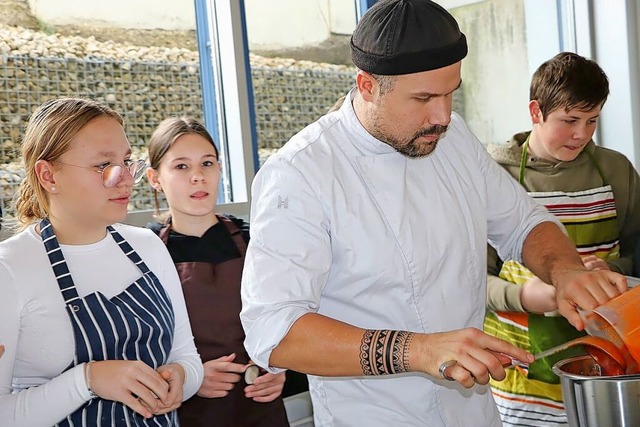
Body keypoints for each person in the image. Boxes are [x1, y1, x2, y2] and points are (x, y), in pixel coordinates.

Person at [239, 1, 629, 426]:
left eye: (450, 93)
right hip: (375, 415)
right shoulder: (301, 173)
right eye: (423, 98)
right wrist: (420, 350)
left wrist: (565, 271)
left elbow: (523, 221)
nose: (442, 115)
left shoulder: (453, 137)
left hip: (474, 411)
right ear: (367, 85)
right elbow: (274, 331)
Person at [0, 98, 204, 426]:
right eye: (103, 166)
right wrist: (87, 380)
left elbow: (187, 357)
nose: (123, 178)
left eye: (126, 162)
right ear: (48, 174)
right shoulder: (9, 269)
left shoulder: (148, 247)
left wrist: (181, 377)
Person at [484, 52, 640, 426]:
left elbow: (636, 252)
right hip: (523, 381)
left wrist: (612, 269)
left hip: (608, 375)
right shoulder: (494, 176)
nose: (582, 134)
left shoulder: (615, 170)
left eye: (592, 121)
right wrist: (524, 296)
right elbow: (470, 280)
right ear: (536, 111)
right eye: (569, 120)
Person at [145, 117, 290, 426]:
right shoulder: (145, 254)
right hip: (189, 414)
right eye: (181, 167)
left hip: (261, 409)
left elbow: (289, 317)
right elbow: (133, 347)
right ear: (155, 178)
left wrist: (281, 371)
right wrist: (190, 379)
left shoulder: (255, 239)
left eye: (207, 163)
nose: (198, 176)